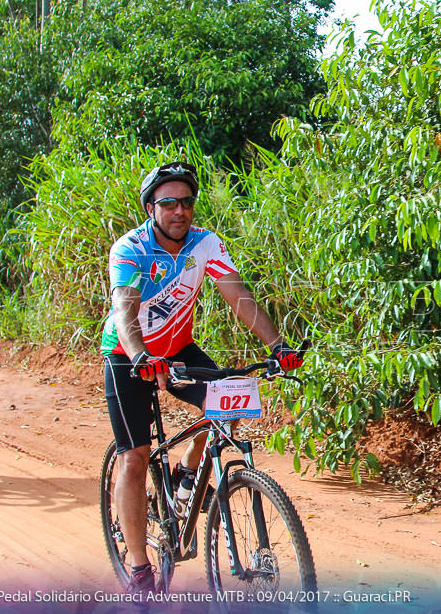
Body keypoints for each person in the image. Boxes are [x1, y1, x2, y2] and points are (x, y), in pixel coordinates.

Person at [101, 161, 303, 594]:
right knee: (135, 457)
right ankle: (139, 568)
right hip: (128, 356)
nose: (180, 210)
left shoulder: (204, 244)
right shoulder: (130, 248)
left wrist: (277, 346)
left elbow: (239, 295)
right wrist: (140, 357)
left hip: (177, 350)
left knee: (228, 404)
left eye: (187, 201)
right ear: (151, 207)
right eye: (168, 202)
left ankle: (187, 475)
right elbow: (125, 309)